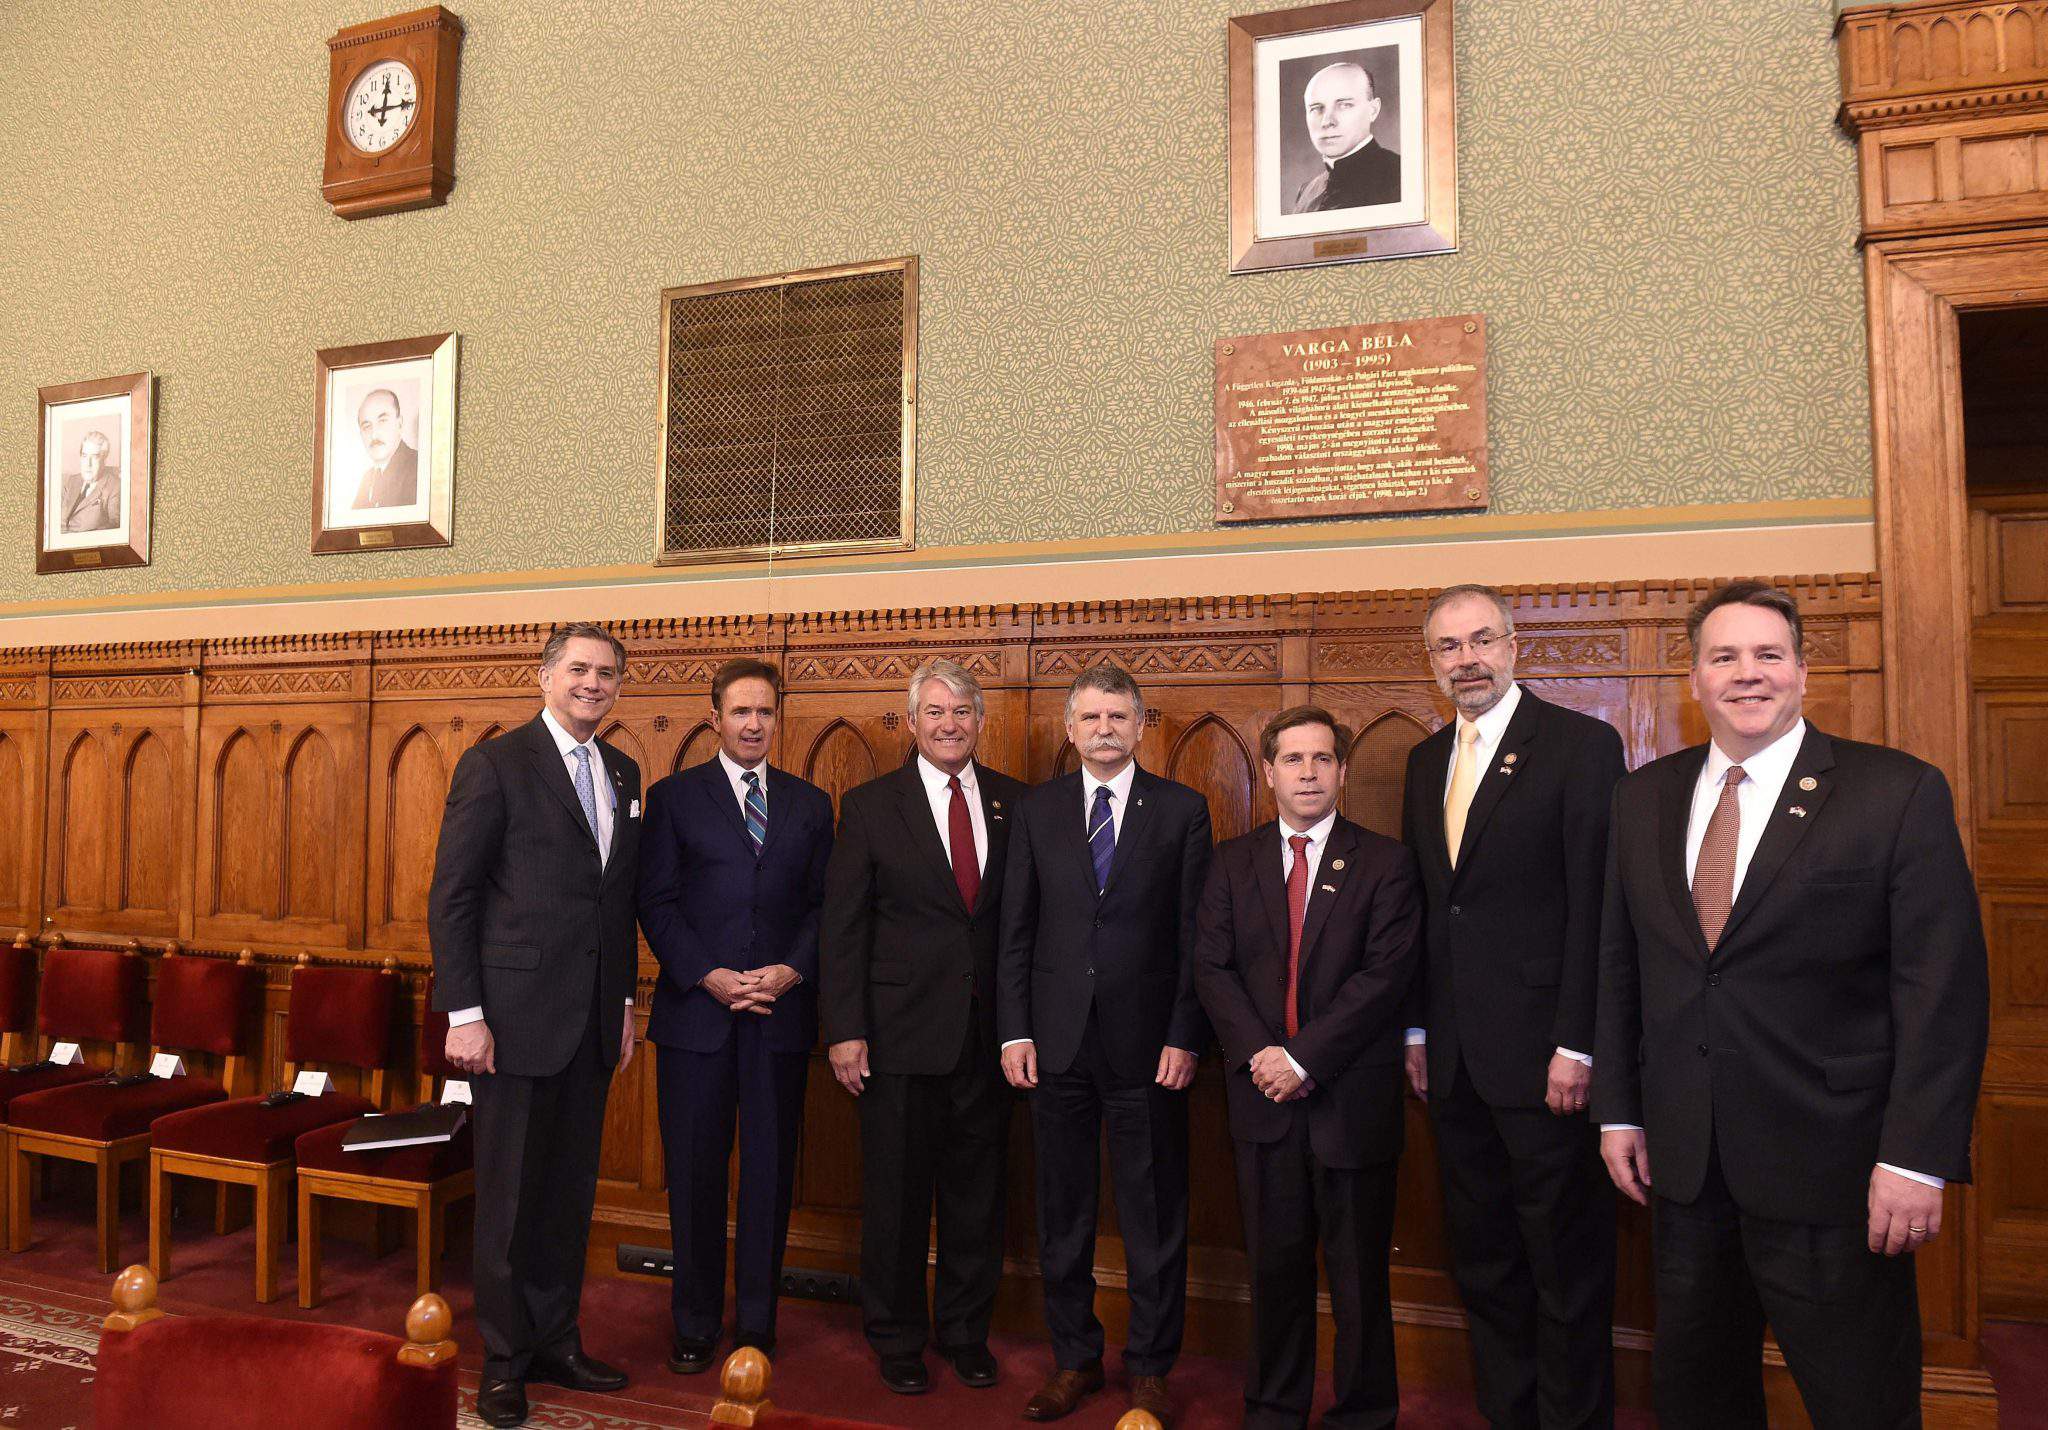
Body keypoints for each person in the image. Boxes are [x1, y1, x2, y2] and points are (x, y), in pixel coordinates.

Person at [1592, 581, 1990, 1429]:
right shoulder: (1642, 798)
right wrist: (1618, 1110)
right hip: (1687, 1164)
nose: (1747, 674)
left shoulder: (1895, 792)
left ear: (1803, 671)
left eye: (1768, 654)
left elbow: (1942, 990)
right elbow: (1622, 965)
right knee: (1699, 1397)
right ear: (1693, 680)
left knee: (1861, 1402)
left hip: (1837, 1169)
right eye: (1723, 657)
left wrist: (1917, 1157)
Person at [1400, 584, 1625, 1429]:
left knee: (1565, 1264)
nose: (1466, 660)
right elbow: (1432, 909)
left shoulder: (1579, 746)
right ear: (1432, 664)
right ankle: (1510, 1412)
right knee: (1485, 1260)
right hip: (1454, 1063)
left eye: (1480, 640)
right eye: (1448, 648)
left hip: (1548, 1062)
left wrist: (1581, 1043)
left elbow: (1600, 908)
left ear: (1514, 645)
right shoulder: (1427, 763)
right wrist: (1418, 1027)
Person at [428, 622, 642, 1428]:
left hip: (590, 1024)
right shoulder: (495, 764)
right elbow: (452, 899)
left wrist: (622, 1004)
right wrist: (467, 1015)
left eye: (608, 673)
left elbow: (612, 905)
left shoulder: (622, 770)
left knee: (566, 1198)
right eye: (579, 669)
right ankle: (505, 1362)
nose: (594, 683)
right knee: (510, 1203)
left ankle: (557, 1341)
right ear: (545, 676)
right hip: (510, 1025)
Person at [998, 664, 1212, 1429]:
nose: (1103, 730)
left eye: (1118, 717)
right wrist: (1015, 1028)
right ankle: (1074, 1359)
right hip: (1053, 1045)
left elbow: (1195, 938)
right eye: (1089, 718)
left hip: (1149, 1050)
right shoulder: (1037, 810)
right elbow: (1015, 928)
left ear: (1141, 725)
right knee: (1064, 1214)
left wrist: (1186, 1034)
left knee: (1154, 1214)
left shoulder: (1183, 811)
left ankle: (1151, 1368)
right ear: (1069, 728)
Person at [1195, 705, 1422, 1429]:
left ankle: (1364, 1413)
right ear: (1267, 773)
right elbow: (1212, 967)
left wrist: (1302, 1058)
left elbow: (1386, 978)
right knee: (1275, 1271)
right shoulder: (1232, 861)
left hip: (1350, 1102)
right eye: (1292, 760)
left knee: (1359, 1281)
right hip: (1263, 1102)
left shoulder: (1386, 862)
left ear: (1343, 771)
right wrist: (1266, 1057)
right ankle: (1272, 1409)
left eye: (1322, 759)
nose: (1307, 773)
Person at [819, 659, 1028, 1396]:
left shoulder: (1014, 803)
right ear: (912, 723)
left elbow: (1020, 926)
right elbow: (842, 927)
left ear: (980, 721)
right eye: (934, 712)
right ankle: (897, 1336)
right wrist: (844, 1029)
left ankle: (966, 1334)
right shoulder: (872, 805)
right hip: (897, 1038)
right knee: (898, 1200)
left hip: (988, 1040)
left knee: (978, 1199)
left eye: (962, 712)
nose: (949, 724)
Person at [637, 658, 834, 1375]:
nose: (755, 724)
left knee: (769, 1177)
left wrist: (791, 970)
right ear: (715, 718)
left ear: (779, 719)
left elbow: (823, 906)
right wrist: (709, 976)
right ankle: (692, 1324)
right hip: (697, 1019)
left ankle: (756, 1322)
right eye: (741, 712)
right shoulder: (673, 799)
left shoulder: (811, 805)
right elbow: (653, 901)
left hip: (779, 1017)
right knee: (694, 1176)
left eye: (766, 712)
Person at [1289, 61, 1400, 213]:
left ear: (1373, 110)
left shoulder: (1401, 176)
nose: (1327, 121)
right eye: (1316, 108)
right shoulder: (1306, 191)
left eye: (1345, 105)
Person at [352, 387, 420, 509]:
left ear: (399, 424)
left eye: (382, 421)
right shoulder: (367, 479)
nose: (374, 434)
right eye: (367, 426)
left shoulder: (418, 468)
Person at [58, 430, 121, 533]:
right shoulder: (71, 481)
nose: (88, 463)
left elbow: (115, 525)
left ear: (104, 460)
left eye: (95, 457)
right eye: (84, 456)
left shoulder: (115, 487)